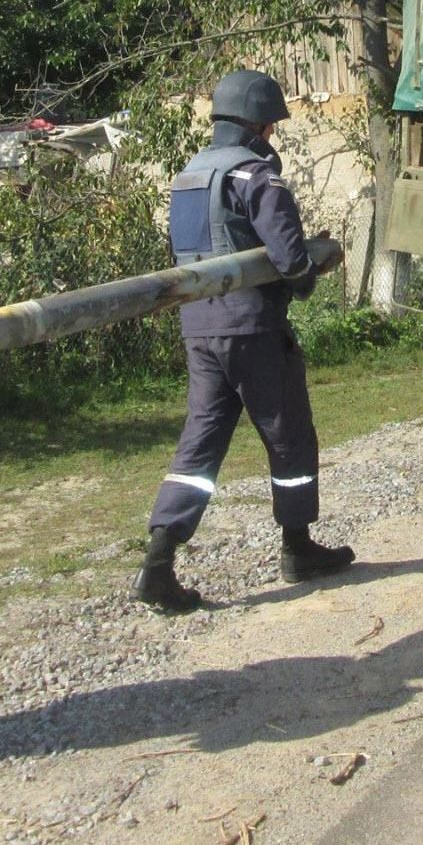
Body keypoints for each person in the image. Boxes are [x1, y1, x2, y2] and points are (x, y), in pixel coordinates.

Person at [134, 69, 355, 613]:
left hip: (200, 329)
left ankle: (159, 561)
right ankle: (298, 548)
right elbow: (288, 257)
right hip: (254, 330)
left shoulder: (186, 176)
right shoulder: (257, 175)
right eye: (271, 126)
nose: (272, 136)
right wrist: (308, 271)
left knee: (200, 443)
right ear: (257, 125)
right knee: (289, 438)